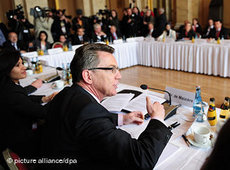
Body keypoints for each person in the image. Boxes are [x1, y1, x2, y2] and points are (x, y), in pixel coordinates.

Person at [41, 44, 172, 170]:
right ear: (88, 76)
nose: (119, 76)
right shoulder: (89, 112)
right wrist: (157, 119)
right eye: (111, 69)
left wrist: (122, 119)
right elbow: (142, 159)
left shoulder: (67, 93)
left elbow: (82, 122)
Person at [0, 49, 57, 159]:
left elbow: (24, 99)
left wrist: (45, 99)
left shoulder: (8, 85)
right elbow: (42, 112)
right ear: (6, 70)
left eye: (22, 63)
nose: (24, 67)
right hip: (19, 140)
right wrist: (60, 99)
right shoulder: (11, 92)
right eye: (18, 65)